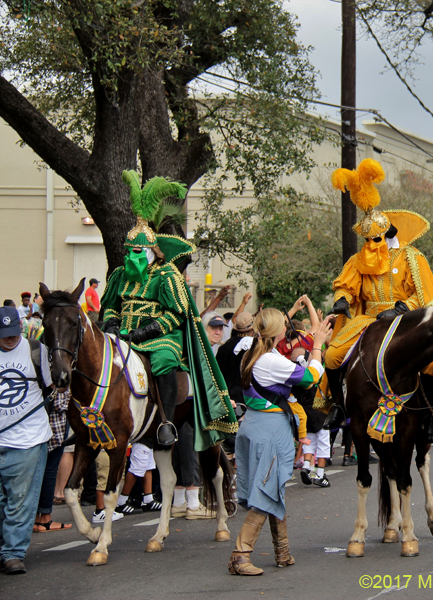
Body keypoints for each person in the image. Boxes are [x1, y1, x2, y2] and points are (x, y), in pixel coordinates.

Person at [99, 170, 236, 448]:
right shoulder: (119, 276)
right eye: (129, 251)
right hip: (121, 334)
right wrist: (112, 324)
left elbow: (175, 314)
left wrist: (145, 331)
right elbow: (111, 306)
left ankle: (166, 422)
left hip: (159, 337)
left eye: (139, 252)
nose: (133, 257)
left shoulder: (167, 275)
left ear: (153, 250)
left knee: (163, 361)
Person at [322, 158, 433, 429]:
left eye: (376, 239)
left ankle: (431, 415)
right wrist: (342, 300)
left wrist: (402, 308)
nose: (371, 245)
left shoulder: (411, 257)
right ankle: (339, 406)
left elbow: (427, 295)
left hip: (404, 319)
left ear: (387, 235)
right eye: (366, 240)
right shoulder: (359, 259)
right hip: (369, 319)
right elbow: (346, 285)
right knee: (331, 356)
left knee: (432, 364)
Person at [229, 308, 332, 576]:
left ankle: (282, 552)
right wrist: (318, 345)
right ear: (279, 331)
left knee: (272, 487)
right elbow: (310, 378)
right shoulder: (270, 361)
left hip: (253, 424)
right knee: (267, 490)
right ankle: (240, 555)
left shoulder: (254, 355)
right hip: (269, 429)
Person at [0, 305, 51, 574]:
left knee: (19, 500)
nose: (10, 338)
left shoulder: (35, 350)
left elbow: (51, 385)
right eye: (4, 334)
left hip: (27, 439)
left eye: (13, 332)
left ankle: (12, 553)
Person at [33, 389, 73, 532]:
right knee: (50, 471)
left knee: (38, 472)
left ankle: (35, 517)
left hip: (37, 427)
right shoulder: (58, 372)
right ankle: (45, 518)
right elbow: (59, 404)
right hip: (55, 427)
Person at [115, 442, 162, 514]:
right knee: (136, 469)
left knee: (148, 466)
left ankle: (148, 499)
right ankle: (121, 502)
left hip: (149, 440)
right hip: (141, 439)